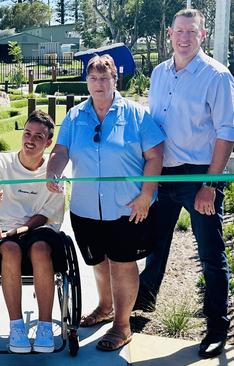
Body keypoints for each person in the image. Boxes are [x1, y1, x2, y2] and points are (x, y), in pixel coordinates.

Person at [46, 54, 165, 351]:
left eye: (105, 77)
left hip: (127, 208)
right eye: (94, 78)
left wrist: (146, 196)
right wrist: (54, 170)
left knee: (123, 265)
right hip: (86, 209)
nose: (99, 83)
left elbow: (155, 156)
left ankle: (122, 326)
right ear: (87, 81)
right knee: (98, 262)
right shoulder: (75, 116)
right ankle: (104, 308)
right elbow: (61, 151)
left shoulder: (136, 114)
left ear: (115, 80)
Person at [135, 9, 234, 358]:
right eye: (179, 31)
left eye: (191, 32)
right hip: (162, 174)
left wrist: (211, 185)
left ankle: (217, 328)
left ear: (202, 35)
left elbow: (226, 133)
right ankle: (142, 306)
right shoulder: (160, 73)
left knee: (210, 254)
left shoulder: (217, 76)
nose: (184, 38)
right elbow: (150, 126)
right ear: (170, 34)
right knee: (153, 243)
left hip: (198, 176)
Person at [0, 110, 64, 353]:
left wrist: (22, 229)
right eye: (27, 133)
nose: (30, 140)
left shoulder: (53, 174)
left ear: (48, 142)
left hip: (37, 229)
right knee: (10, 250)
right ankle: (16, 326)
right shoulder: (1, 163)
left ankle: (45, 327)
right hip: (2, 231)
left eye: (38, 136)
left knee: (41, 249)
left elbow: (47, 214)